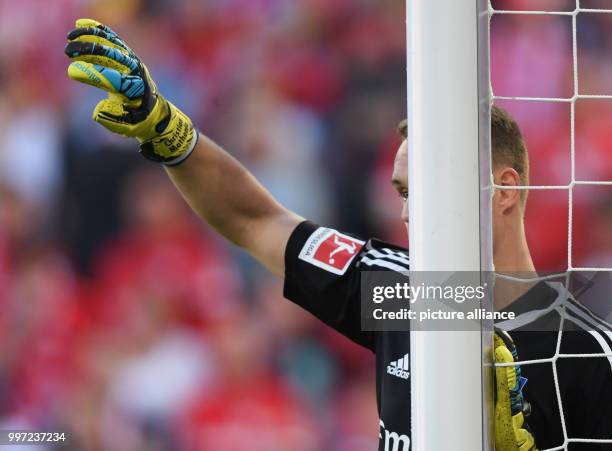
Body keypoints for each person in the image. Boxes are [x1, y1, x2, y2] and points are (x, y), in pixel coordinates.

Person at [64, 19, 611, 451]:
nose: (405, 217)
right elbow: (257, 220)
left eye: (426, 193)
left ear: (505, 190)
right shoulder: (404, 295)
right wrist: (165, 130)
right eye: (401, 193)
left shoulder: (585, 350)